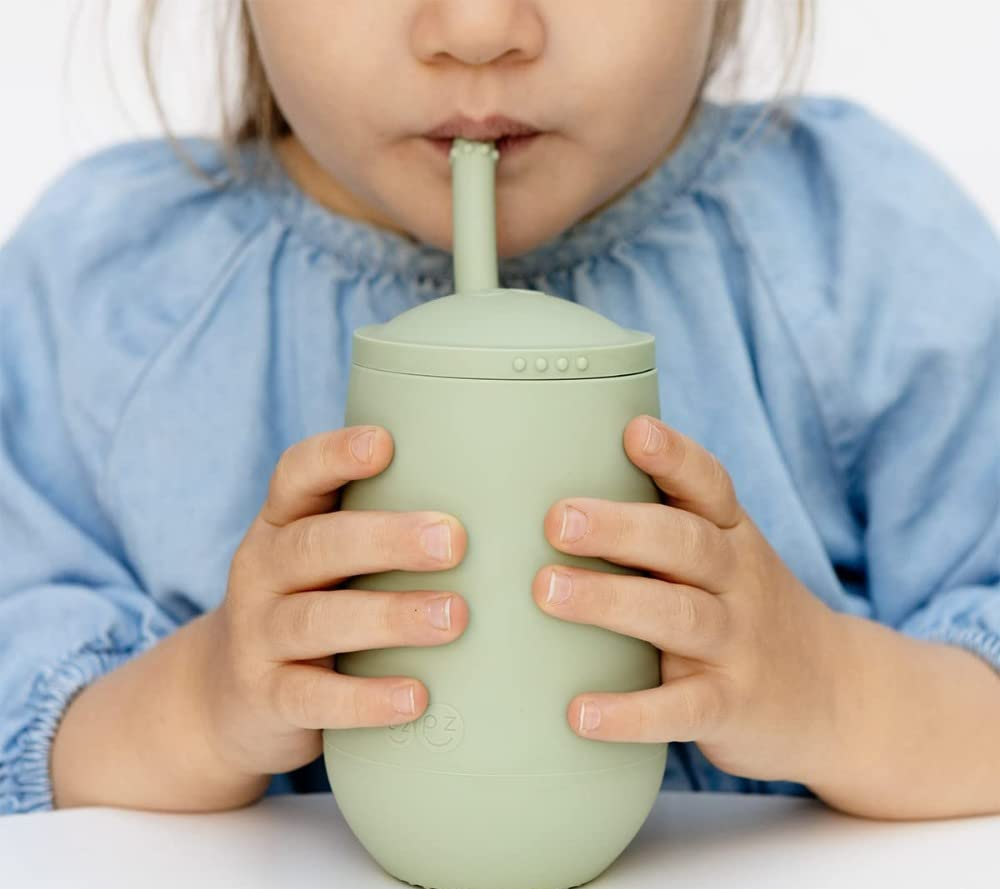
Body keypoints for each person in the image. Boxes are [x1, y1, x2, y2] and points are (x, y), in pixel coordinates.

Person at [1, 0, 998, 821]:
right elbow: (31, 741)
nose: (478, 29)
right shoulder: (105, 297)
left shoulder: (862, 252)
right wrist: (193, 706)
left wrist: (838, 693)